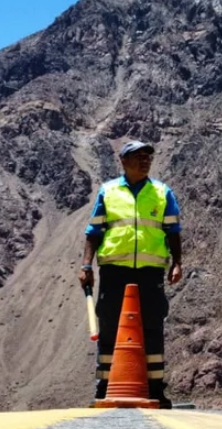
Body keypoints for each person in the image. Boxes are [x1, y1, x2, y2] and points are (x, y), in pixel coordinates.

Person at [78, 140, 183, 409]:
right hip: (114, 272)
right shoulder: (109, 191)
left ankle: (156, 390)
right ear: (123, 161)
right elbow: (94, 232)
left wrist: (177, 263)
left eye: (148, 156)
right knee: (110, 327)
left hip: (150, 273)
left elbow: (173, 232)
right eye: (138, 156)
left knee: (152, 328)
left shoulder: (162, 193)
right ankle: (104, 388)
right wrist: (86, 266)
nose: (145, 160)